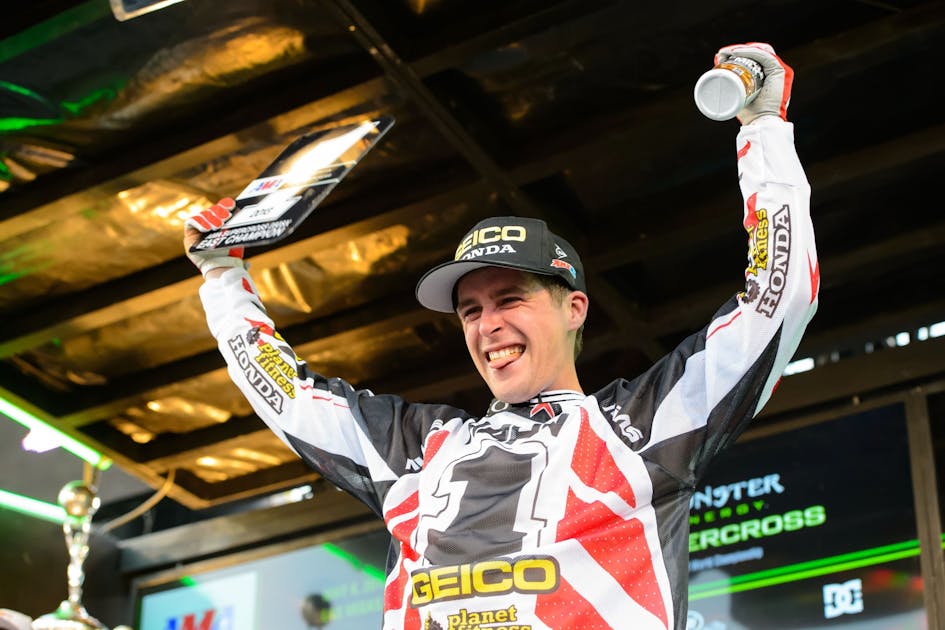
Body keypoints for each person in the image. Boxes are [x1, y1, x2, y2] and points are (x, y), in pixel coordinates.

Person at [184, 42, 818, 630]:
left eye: (510, 299)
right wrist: (222, 276)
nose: (488, 324)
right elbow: (284, 392)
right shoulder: (416, 449)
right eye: (470, 311)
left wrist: (762, 129)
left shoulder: (643, 427)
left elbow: (778, 300)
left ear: (574, 309)